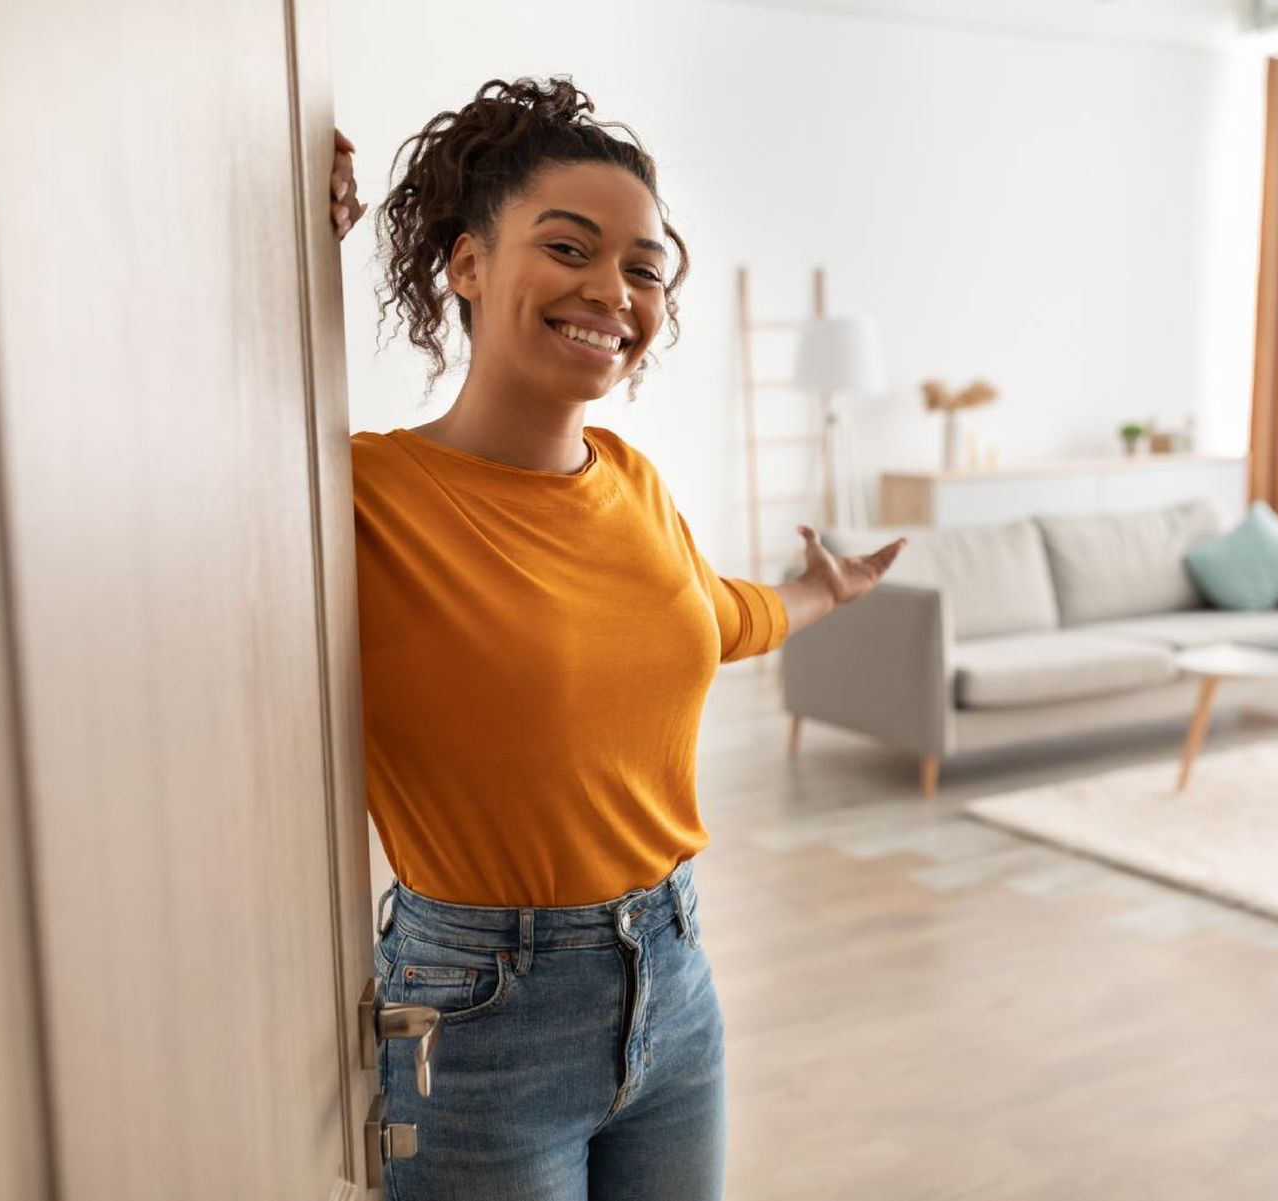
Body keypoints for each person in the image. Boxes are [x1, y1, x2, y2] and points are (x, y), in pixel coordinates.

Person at [327, 76, 907, 1200]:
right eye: (569, 248)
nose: (614, 289)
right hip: (478, 1016)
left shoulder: (632, 483)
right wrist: (257, 238)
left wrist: (818, 591)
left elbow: (706, 619)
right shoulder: (363, 495)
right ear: (467, 263)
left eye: (645, 267)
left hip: (676, 980)